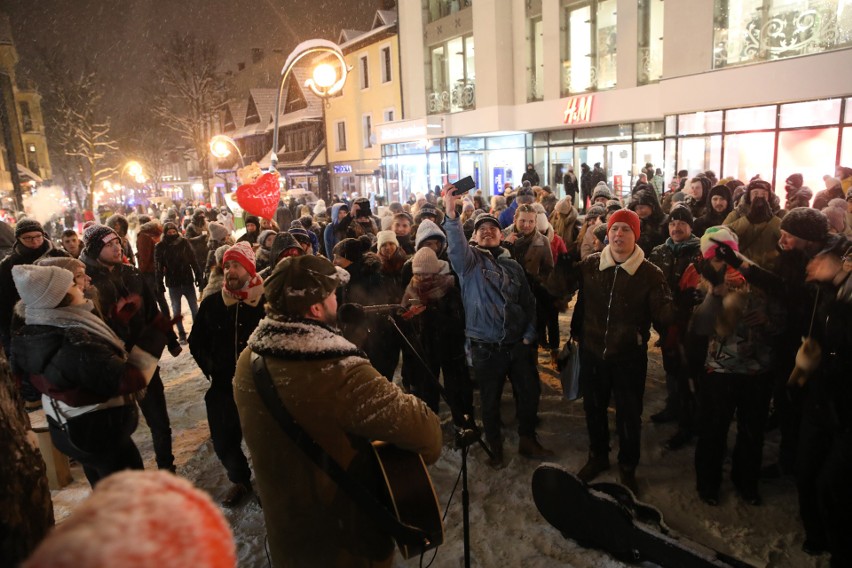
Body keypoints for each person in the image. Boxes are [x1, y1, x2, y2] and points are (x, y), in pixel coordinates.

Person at [233, 255, 442, 568]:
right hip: (346, 545)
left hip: (288, 539)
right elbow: (429, 436)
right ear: (316, 308)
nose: (337, 300)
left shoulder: (249, 360)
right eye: (332, 294)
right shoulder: (339, 372)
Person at [10, 264, 169, 487]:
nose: (81, 287)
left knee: (104, 486)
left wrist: (119, 324)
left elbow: (29, 386)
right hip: (100, 434)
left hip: (70, 427)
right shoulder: (72, 341)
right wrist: (156, 334)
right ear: (60, 297)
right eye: (73, 284)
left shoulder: (33, 332)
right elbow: (127, 379)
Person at [443, 185, 553, 468]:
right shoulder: (468, 263)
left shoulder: (513, 266)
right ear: (474, 237)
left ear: (501, 234)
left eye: (492, 228)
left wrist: (530, 333)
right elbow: (455, 244)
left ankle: (527, 439)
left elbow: (528, 302)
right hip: (486, 346)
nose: (488, 231)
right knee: (490, 400)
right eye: (481, 229)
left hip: (517, 344)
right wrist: (451, 212)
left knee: (529, 393)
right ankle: (495, 444)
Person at [570, 208, 673, 494]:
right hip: (592, 351)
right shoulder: (590, 266)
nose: (618, 234)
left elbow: (663, 317)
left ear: (635, 236)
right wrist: (563, 266)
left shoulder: (650, 273)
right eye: (615, 229)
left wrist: (678, 304)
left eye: (626, 229)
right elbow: (558, 289)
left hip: (628, 355)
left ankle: (628, 465)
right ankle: (598, 456)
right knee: (593, 409)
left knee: (629, 414)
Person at [691, 228, 782, 506]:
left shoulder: (758, 278)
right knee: (713, 430)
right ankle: (708, 484)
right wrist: (714, 296)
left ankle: (746, 482)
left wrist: (766, 320)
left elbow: (783, 320)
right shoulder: (699, 282)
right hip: (717, 370)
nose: (723, 263)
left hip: (757, 370)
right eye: (715, 257)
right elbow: (697, 329)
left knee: (752, 431)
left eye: (726, 254)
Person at [82, 224, 178, 473]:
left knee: (158, 418)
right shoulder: (85, 281)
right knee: (120, 424)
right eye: (110, 244)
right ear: (95, 249)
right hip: (111, 363)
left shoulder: (132, 274)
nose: (118, 247)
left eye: (119, 242)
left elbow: (152, 311)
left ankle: (167, 468)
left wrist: (168, 337)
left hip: (143, 355)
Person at [189, 242, 264, 507]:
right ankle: (239, 478)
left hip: (260, 387)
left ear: (249, 268)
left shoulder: (265, 302)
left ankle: (268, 484)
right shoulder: (212, 303)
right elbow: (196, 341)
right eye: (228, 266)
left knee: (263, 440)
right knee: (223, 440)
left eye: (236, 265)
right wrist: (212, 367)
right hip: (223, 385)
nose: (230, 271)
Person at [794, 236, 852, 565]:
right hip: (820, 399)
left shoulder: (842, 299)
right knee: (807, 470)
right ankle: (816, 534)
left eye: (819, 261)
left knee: (834, 483)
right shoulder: (825, 294)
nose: (812, 266)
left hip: (845, 407)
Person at [647, 205, 703, 449]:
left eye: (682, 223)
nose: (676, 227)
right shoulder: (659, 252)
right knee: (671, 366)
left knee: (690, 372)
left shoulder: (702, 253)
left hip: (693, 326)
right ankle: (673, 406)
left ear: (691, 227)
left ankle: (689, 420)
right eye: (672, 223)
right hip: (666, 323)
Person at [0, 219, 66, 356]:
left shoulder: (60, 257)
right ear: (18, 239)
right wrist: (8, 334)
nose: (35, 241)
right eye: (28, 238)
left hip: (60, 322)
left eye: (38, 236)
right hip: (25, 326)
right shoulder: (8, 266)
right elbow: (4, 303)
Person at [155, 222, 202, 344]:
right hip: (173, 282)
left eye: (173, 232)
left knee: (194, 308)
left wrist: (198, 275)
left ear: (177, 231)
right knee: (176, 310)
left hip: (187, 280)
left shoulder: (184, 242)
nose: (171, 234)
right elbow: (158, 267)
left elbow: (193, 259)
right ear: (165, 234)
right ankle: (181, 334)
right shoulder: (160, 246)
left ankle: (199, 331)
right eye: (169, 233)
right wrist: (159, 282)